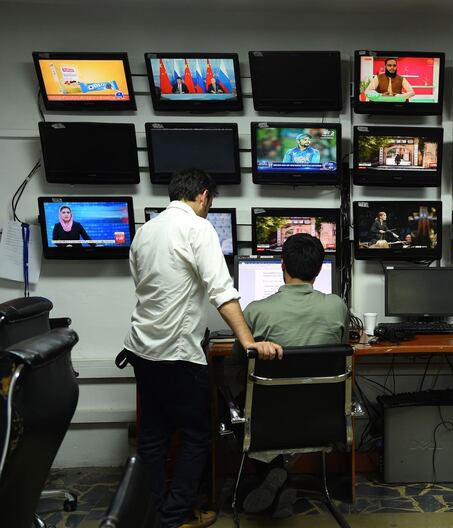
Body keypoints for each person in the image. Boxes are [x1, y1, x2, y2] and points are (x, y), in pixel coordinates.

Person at [124, 168, 282, 528]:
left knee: (154, 435)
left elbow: (145, 287)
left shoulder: (145, 231)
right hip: (178, 353)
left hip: (141, 350)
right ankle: (175, 517)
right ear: (204, 197)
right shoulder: (198, 228)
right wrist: (248, 341)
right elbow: (222, 291)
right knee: (197, 436)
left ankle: (159, 509)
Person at [229, 233, 349, 517]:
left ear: (281, 265)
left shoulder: (256, 311)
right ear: (319, 270)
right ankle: (282, 478)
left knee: (235, 398)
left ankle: (274, 471)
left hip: (269, 419)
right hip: (322, 417)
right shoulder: (337, 307)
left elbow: (235, 364)